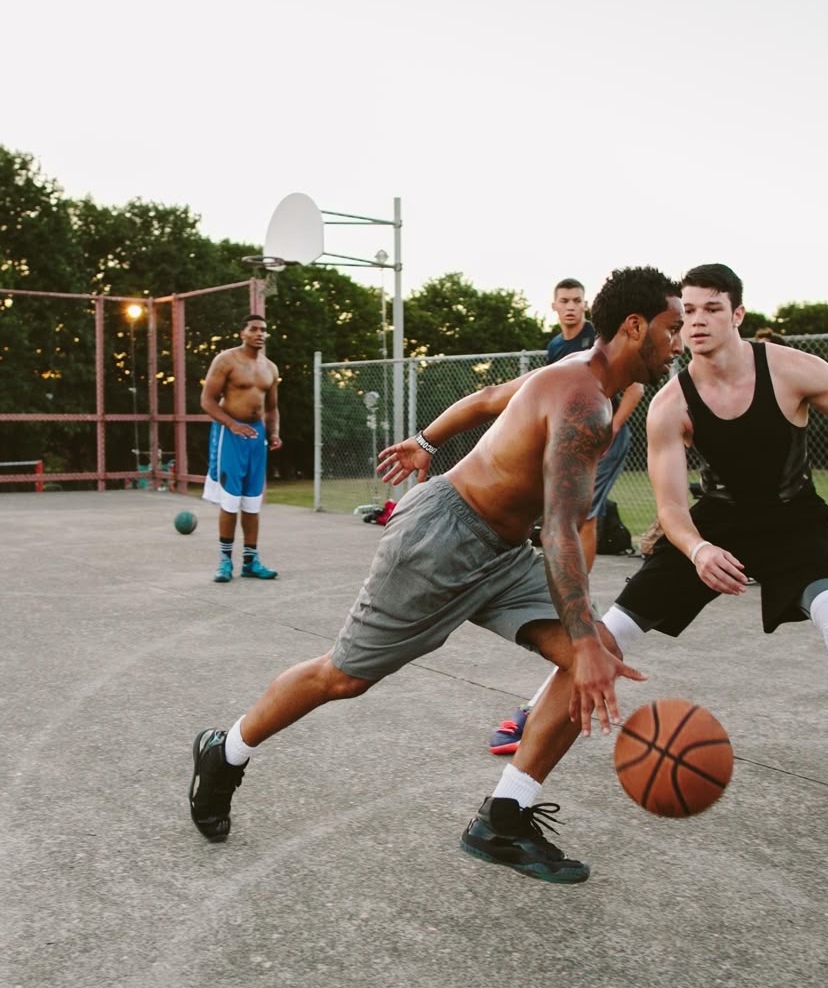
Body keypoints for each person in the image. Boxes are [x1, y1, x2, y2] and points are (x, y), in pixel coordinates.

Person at [474, 264, 828, 848]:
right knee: (610, 631)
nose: (697, 321)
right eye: (687, 311)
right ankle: (533, 713)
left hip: (793, 521)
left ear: (739, 314)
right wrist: (697, 548)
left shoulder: (794, 370)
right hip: (714, 525)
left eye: (712, 308)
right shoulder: (672, 402)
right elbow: (671, 507)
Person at [188, 266, 685, 885]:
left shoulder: (580, 376)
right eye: (672, 327)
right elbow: (560, 529)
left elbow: (489, 399)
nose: (678, 342)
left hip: (502, 554)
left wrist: (425, 440)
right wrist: (581, 639)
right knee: (343, 676)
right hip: (441, 541)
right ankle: (226, 750)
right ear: (634, 326)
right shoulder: (584, 401)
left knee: (598, 653)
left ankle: (503, 819)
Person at [488, 278, 645, 754]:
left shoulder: (601, 337)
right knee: (564, 516)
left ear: (586, 306)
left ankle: (577, 587)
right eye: (565, 301)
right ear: (554, 306)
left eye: (578, 301)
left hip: (603, 432)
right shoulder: (557, 346)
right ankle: (568, 579)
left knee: (582, 518)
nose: (572, 307)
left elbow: (634, 387)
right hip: (575, 431)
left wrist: (611, 429)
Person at [200, 313, 282, 583]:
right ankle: (225, 561)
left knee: (252, 501)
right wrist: (232, 424)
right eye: (254, 329)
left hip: (256, 436)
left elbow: (272, 408)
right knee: (230, 500)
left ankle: (250, 561)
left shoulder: (270, 368)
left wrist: (274, 433)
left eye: (263, 330)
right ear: (242, 333)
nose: (259, 334)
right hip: (230, 434)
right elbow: (207, 400)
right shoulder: (226, 360)